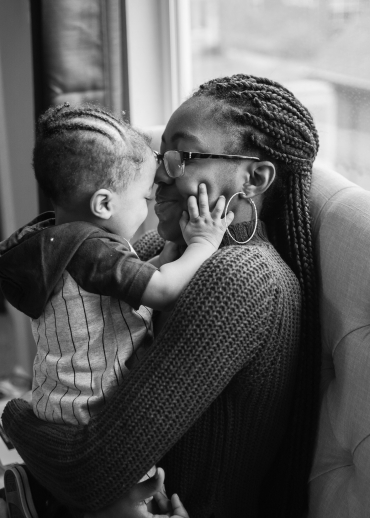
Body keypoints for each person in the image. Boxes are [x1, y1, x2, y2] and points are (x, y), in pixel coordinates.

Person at [2, 74, 322, 518]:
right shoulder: (164, 248)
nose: (158, 176)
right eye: (162, 156)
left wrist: (15, 417)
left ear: (254, 178)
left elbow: (88, 474)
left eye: (183, 157)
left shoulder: (245, 279)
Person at [0, 103, 231, 516]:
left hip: (59, 400)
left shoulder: (60, 244)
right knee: (122, 502)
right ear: (104, 204)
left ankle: (42, 492)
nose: (149, 205)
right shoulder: (92, 250)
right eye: (144, 197)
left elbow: (135, 281)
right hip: (93, 410)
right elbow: (158, 290)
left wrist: (171, 251)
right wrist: (203, 245)